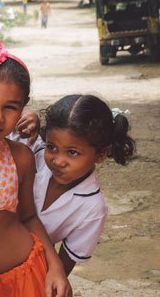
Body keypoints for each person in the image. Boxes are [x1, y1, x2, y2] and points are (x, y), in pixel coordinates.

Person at [0, 35, 71, 297]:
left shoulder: (19, 157)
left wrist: (55, 266)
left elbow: (29, 217)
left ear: (22, 109)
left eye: (11, 107)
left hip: (21, 277)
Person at [33, 95, 135, 276]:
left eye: (72, 152)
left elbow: (61, 272)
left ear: (101, 154)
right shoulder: (32, 153)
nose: (58, 161)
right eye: (52, 147)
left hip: (29, 270)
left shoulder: (92, 209)